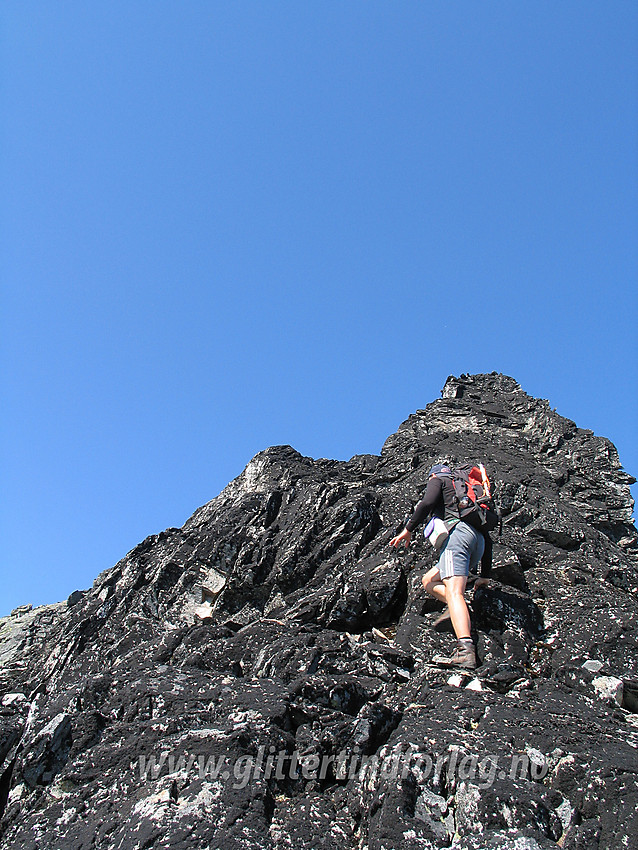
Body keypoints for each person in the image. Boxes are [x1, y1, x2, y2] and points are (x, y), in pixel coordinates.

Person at [389, 463, 485, 669]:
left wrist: (408, 529)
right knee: (428, 581)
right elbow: (486, 532)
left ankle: (465, 651)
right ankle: (458, 610)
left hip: (457, 537)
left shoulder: (438, 479)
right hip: (478, 542)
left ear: (434, 473)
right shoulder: (467, 493)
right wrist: (485, 573)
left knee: (455, 593)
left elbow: (426, 503)